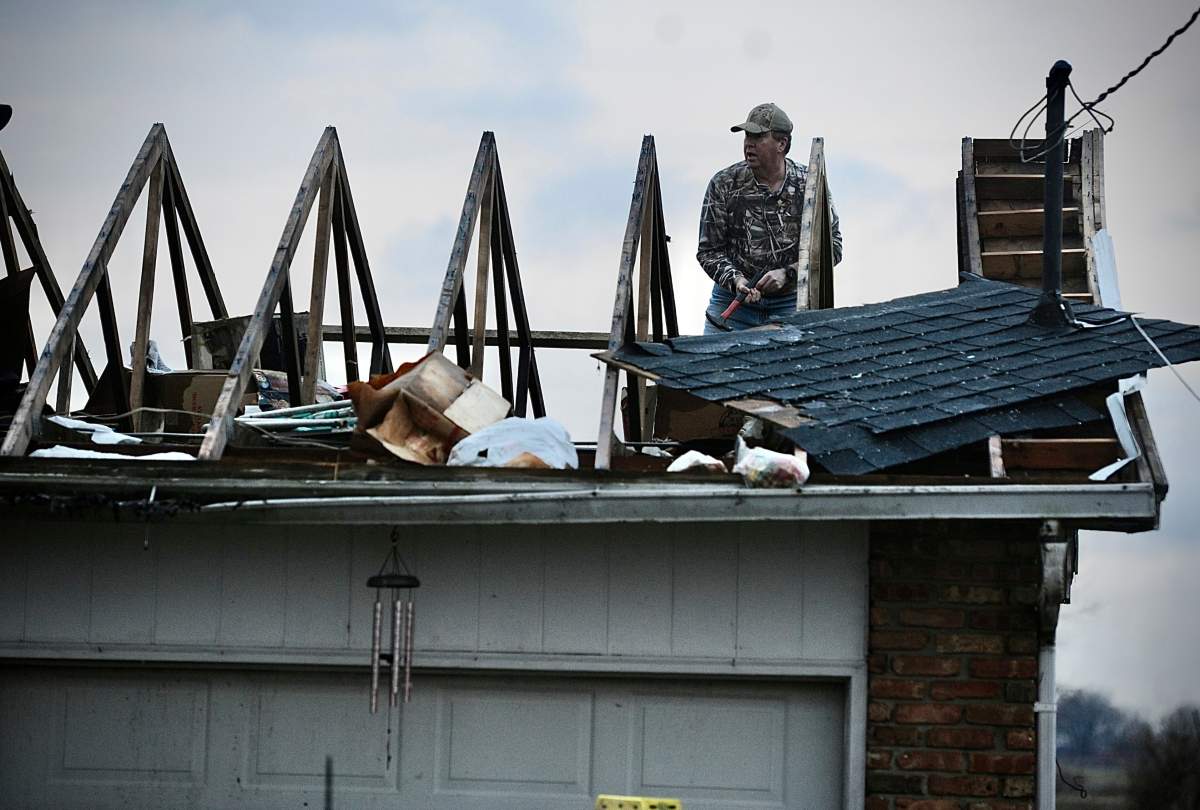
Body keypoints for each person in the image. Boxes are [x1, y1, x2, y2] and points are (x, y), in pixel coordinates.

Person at [697, 102, 842, 333]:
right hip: (732, 304)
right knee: (709, 366)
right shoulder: (723, 183)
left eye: (758, 137)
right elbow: (708, 251)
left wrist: (788, 274)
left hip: (790, 305)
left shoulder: (810, 185)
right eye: (747, 137)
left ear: (781, 144)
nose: (749, 144)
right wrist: (737, 281)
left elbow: (832, 247)